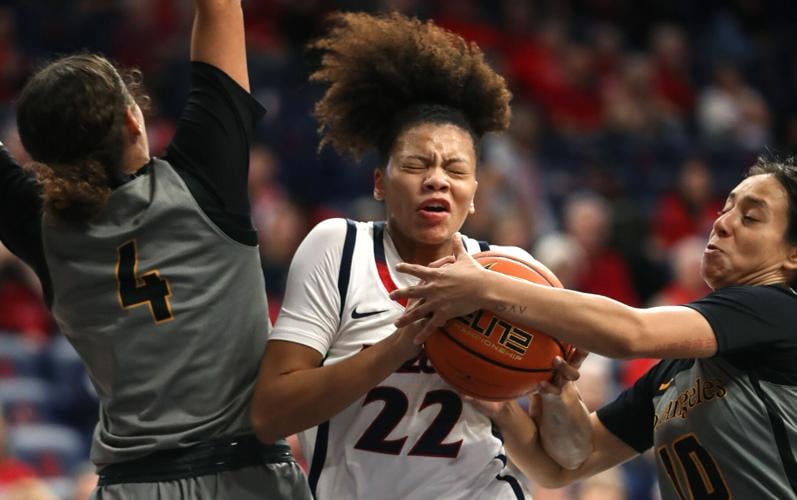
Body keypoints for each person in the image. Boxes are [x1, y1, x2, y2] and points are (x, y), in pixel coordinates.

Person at [250, 12, 591, 500]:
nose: (437, 179)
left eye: (456, 169)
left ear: (474, 193)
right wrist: (400, 346)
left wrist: (554, 398)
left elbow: (566, 461)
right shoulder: (338, 248)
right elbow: (270, 415)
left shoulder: (511, 273)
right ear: (379, 182)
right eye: (415, 164)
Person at [1, 1, 311, 498]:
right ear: (132, 120)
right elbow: (221, 9)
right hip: (246, 475)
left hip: (132, 485)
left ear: (39, 158)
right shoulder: (203, 181)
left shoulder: (42, 233)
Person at [392, 158, 797, 499]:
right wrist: (515, 401)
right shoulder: (678, 371)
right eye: (725, 209)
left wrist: (487, 288)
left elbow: (630, 333)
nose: (722, 224)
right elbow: (567, 465)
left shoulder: (780, 311)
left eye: (750, 217)